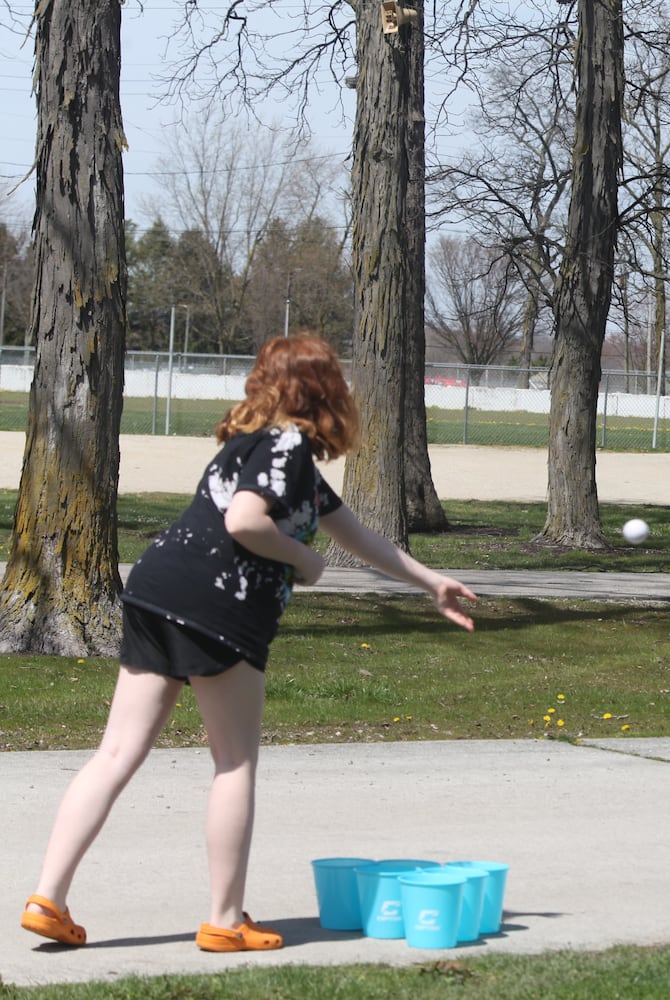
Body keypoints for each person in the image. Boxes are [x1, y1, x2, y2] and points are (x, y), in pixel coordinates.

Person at [20, 335, 478, 952]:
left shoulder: (259, 450)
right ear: (323, 392)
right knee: (234, 763)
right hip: (217, 608)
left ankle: (47, 897)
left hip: (156, 590)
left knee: (115, 754)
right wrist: (304, 562)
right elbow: (244, 521)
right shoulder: (286, 445)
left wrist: (430, 582)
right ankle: (226, 919)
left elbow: (360, 536)